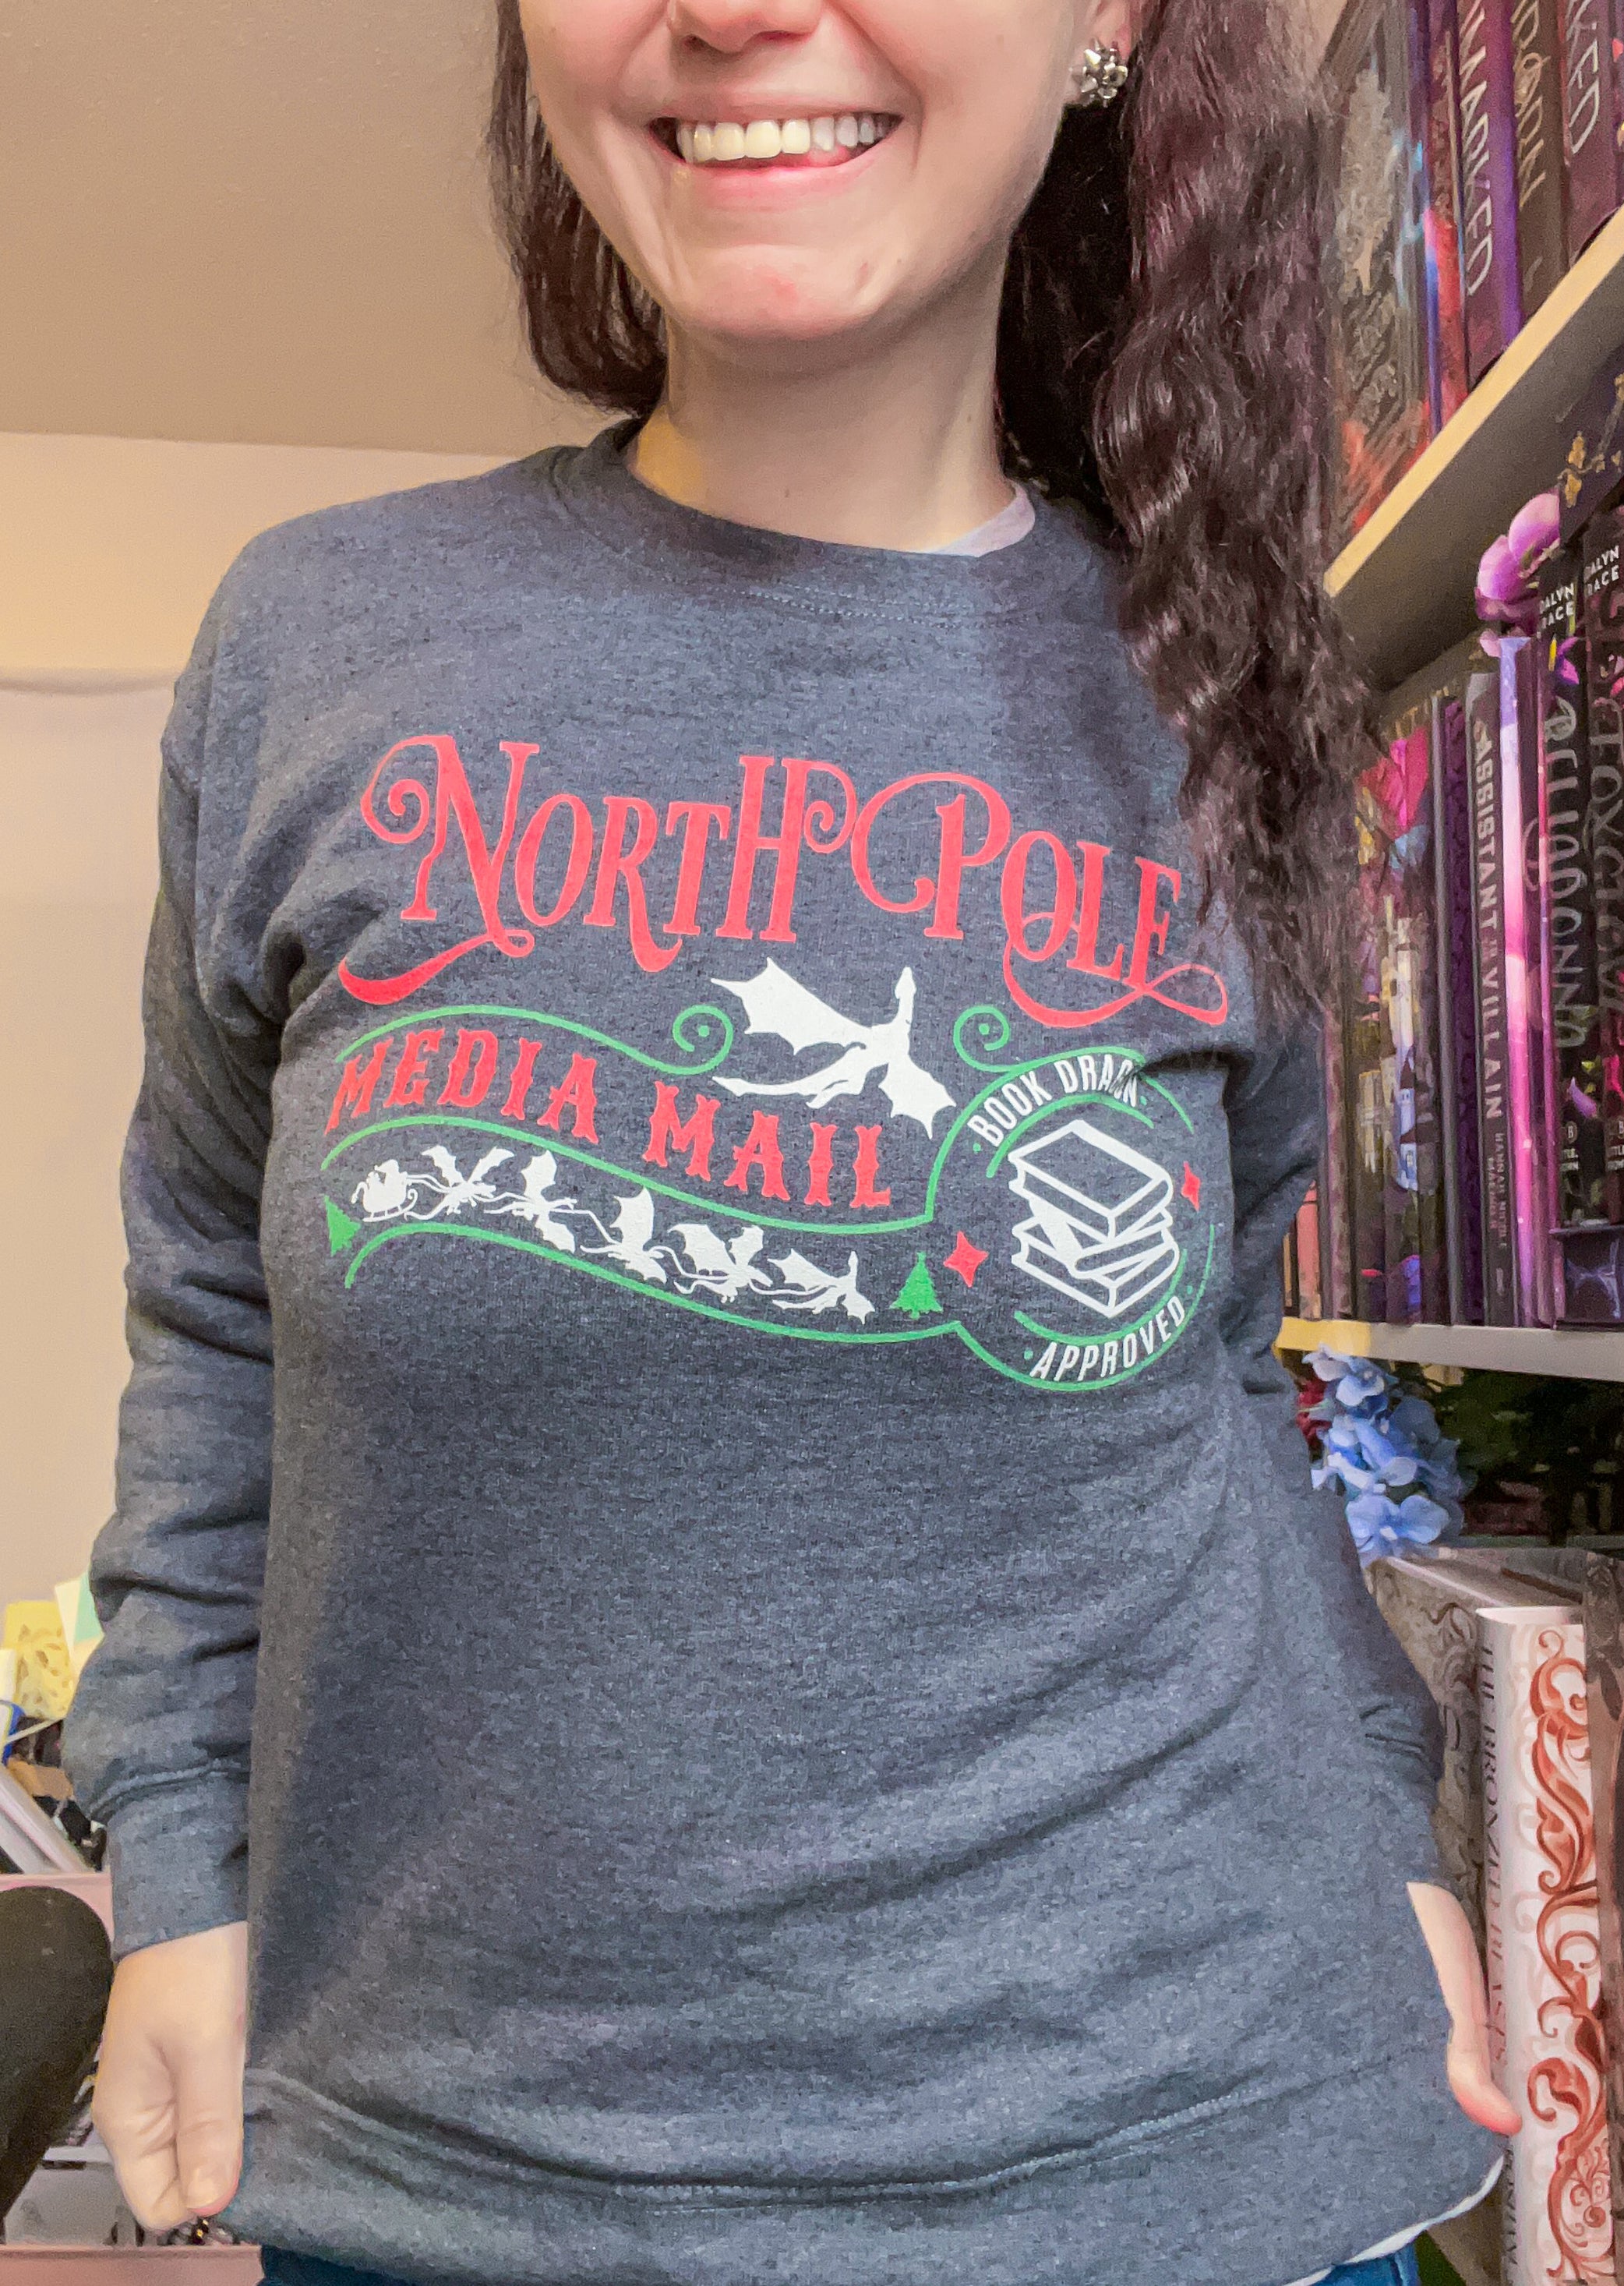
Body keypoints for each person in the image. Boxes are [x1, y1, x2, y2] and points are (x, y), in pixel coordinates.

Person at [65, 2, 1521, 2281]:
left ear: (1107, 19)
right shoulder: (317, 640)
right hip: (455, 2180)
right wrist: (173, 1854)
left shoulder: (1221, 686)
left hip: (1197, 2149)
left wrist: (1374, 1800)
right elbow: (214, 1319)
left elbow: (1222, 1367)